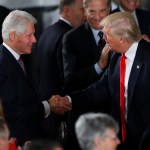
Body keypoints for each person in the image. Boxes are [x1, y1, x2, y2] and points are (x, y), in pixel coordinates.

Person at [61, 12, 150, 150]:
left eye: (106, 35)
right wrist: (69, 100)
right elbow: (101, 88)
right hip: (120, 140)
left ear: (122, 39)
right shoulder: (116, 56)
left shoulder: (147, 58)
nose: (103, 38)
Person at [0, 10, 71, 146]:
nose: (34, 39)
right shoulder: (3, 65)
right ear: (13, 36)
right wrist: (48, 106)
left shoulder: (14, 59)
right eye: (30, 35)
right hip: (19, 142)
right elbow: (12, 111)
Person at [35, 0, 86, 141]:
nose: (86, 15)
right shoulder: (69, 36)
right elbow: (67, 78)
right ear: (67, 11)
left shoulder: (47, 32)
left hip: (45, 108)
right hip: (61, 111)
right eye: (82, 10)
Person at [62, 0, 111, 94]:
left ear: (109, 9)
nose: (97, 17)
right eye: (92, 11)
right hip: (88, 103)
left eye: (102, 11)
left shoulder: (121, 33)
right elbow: (69, 81)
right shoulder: (71, 38)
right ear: (85, 11)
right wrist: (99, 66)